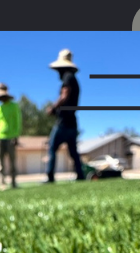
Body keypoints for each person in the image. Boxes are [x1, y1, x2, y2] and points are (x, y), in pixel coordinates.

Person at [44, 49, 85, 183]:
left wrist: (53, 108)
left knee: (52, 147)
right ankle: (80, 175)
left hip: (64, 122)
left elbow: (64, 96)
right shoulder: (74, 79)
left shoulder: (68, 77)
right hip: (73, 122)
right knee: (73, 151)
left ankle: (50, 177)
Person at [0, 82, 22, 190]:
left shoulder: (14, 106)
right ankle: (2, 183)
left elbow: (18, 121)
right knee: (0, 162)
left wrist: (16, 136)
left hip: (11, 137)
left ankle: (13, 183)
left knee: (12, 161)